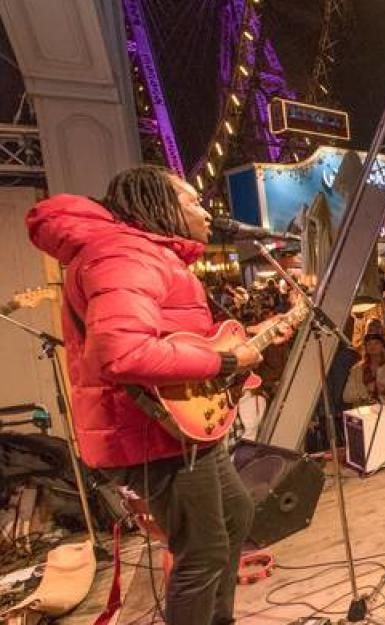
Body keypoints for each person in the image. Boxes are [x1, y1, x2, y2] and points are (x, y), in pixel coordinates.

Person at [26, 165, 269, 625]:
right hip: (153, 432)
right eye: (192, 201)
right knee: (202, 551)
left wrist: (239, 342)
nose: (204, 211)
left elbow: (170, 339)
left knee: (235, 514)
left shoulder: (146, 254)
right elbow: (123, 353)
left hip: (179, 427)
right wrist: (226, 362)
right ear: (159, 205)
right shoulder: (124, 254)